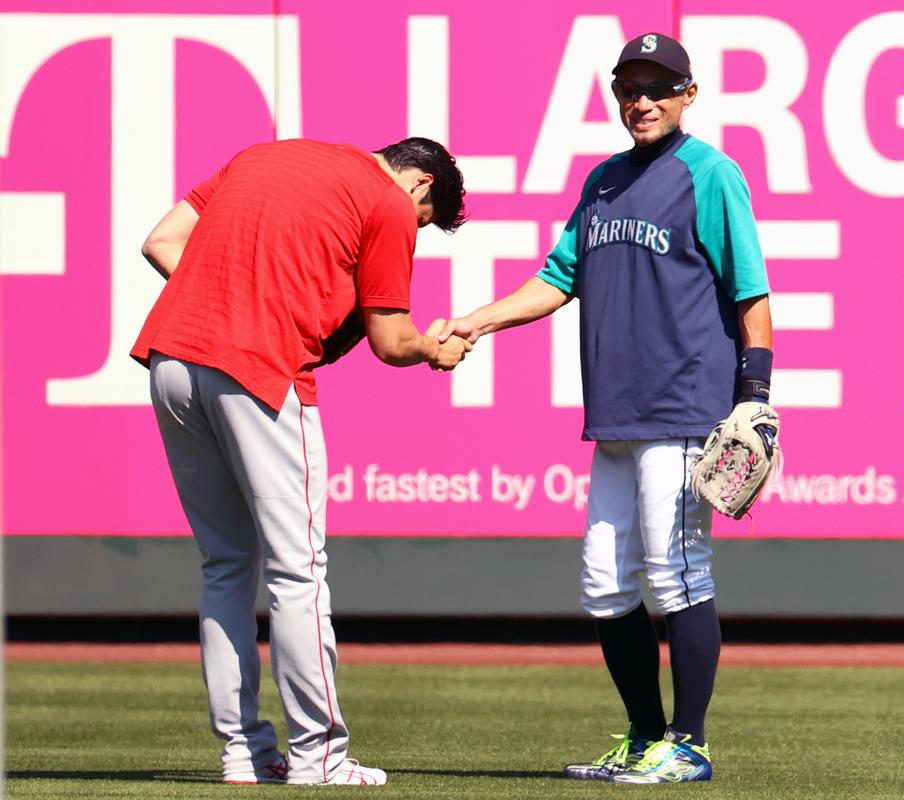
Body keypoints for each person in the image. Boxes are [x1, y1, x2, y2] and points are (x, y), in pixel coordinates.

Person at [435, 33, 773, 783]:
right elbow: (558, 279)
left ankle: (688, 746)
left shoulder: (711, 175)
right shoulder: (604, 182)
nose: (642, 100)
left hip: (683, 408)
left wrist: (754, 396)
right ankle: (646, 737)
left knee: (676, 573)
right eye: (630, 87)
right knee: (604, 583)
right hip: (616, 414)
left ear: (690, 94)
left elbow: (750, 290)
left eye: (659, 86)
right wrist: (476, 320)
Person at [130, 137, 471, 786]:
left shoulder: (267, 154)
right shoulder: (391, 204)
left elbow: (161, 242)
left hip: (172, 357)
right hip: (257, 372)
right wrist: (433, 350)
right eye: (425, 219)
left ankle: (244, 754)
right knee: (298, 570)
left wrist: (232, 303)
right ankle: (319, 758)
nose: (415, 228)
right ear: (421, 185)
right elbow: (390, 338)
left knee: (227, 563)